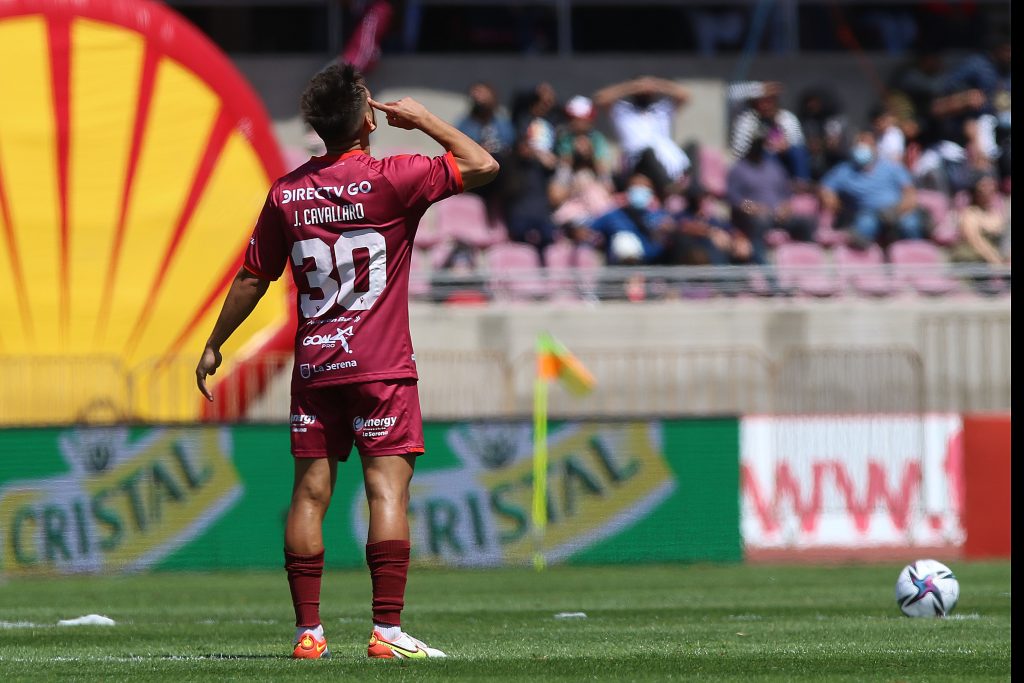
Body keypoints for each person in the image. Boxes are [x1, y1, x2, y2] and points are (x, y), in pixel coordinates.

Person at [194, 63, 498, 660]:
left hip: (316, 368)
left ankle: (308, 634)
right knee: (386, 492)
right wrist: (424, 119)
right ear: (367, 120)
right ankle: (387, 632)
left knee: (309, 495)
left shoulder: (287, 193)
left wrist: (214, 342)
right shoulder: (395, 178)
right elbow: (484, 164)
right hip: (382, 367)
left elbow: (254, 277)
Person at [819, 131, 925, 249]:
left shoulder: (891, 167)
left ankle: (917, 255)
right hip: (867, 213)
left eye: (867, 144)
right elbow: (825, 189)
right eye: (860, 144)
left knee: (910, 224)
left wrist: (897, 211)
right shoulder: (844, 170)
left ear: (875, 148)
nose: (863, 148)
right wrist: (839, 206)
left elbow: (910, 194)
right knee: (864, 228)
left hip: (897, 210)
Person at [593, 76, 691, 198]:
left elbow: (685, 95)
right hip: (636, 160)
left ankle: (693, 188)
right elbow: (600, 98)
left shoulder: (661, 110)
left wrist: (656, 84)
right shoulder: (622, 111)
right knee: (647, 152)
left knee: (693, 147)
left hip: (665, 160)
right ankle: (668, 186)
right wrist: (633, 86)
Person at [726, 127, 815, 255]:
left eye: (761, 144)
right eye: (756, 144)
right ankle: (761, 262)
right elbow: (733, 199)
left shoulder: (775, 168)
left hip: (779, 216)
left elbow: (787, 194)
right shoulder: (739, 169)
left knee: (806, 222)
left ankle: (806, 262)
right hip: (756, 217)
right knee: (761, 222)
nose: (759, 148)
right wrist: (752, 208)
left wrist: (786, 207)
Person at [730, 81, 811, 183]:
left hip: (784, 159)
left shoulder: (787, 117)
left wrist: (786, 146)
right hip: (756, 161)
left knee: (798, 151)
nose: (766, 106)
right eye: (762, 102)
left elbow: (798, 141)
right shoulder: (747, 120)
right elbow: (730, 93)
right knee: (769, 153)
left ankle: (802, 183)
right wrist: (760, 89)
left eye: (769, 101)